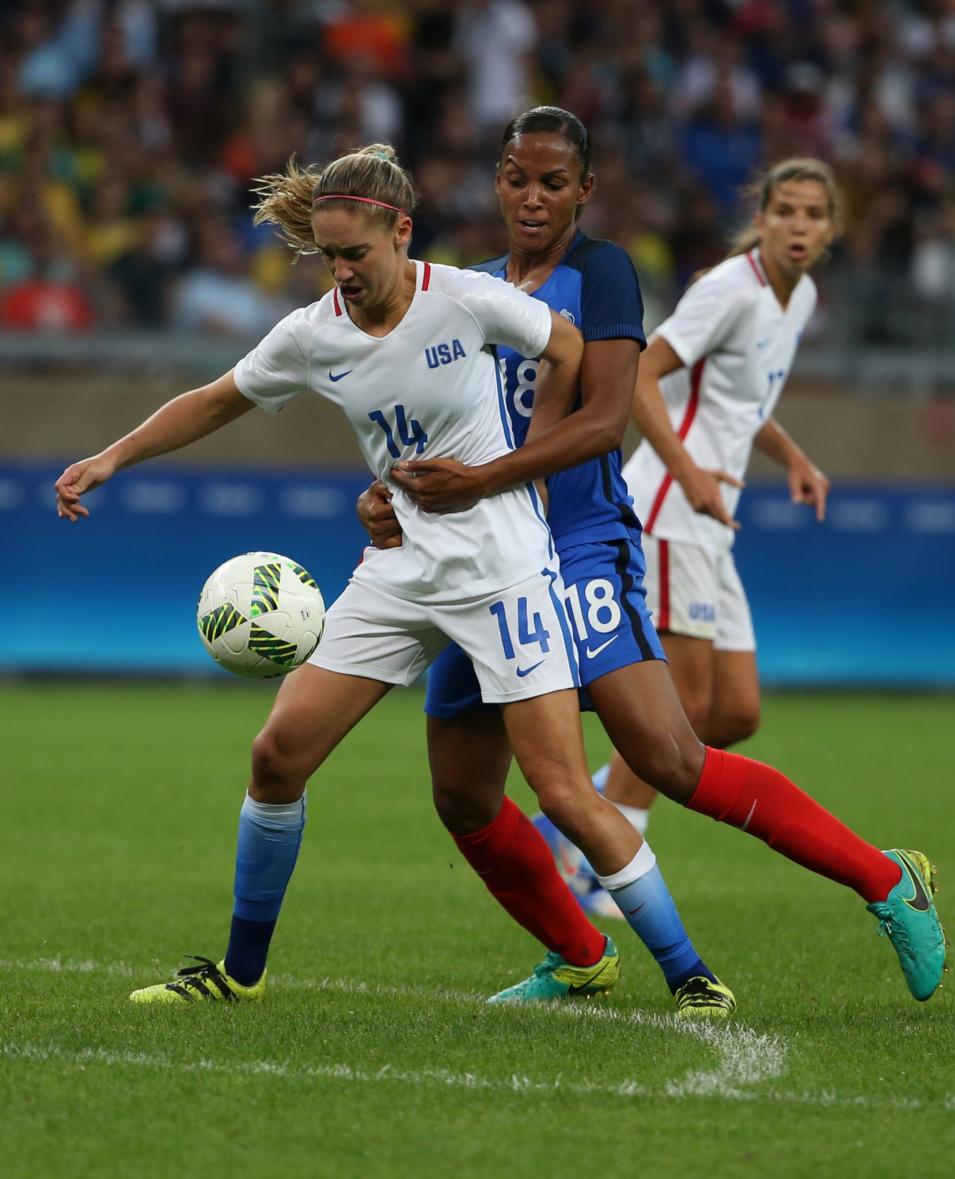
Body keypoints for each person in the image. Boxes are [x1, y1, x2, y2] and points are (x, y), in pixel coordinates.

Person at [53, 142, 689, 1006]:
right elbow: (216, 397)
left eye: (356, 253)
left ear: (401, 231)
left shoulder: (463, 298)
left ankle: (690, 974)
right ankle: (241, 974)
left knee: (564, 790)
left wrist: (527, 459)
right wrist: (110, 457)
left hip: (503, 566)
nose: (342, 272)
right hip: (399, 565)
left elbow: (570, 348)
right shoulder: (315, 333)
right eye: (327, 256)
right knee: (277, 755)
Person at [364, 124, 946, 1005]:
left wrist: (484, 480)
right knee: (464, 793)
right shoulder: (469, 288)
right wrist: (391, 493)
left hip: (580, 544)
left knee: (676, 752)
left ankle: (884, 879)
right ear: (497, 183)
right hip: (481, 559)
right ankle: (577, 953)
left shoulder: (601, 273)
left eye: (552, 182)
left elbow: (604, 421)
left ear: (583, 190)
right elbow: (433, 421)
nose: (532, 197)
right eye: (518, 179)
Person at [538, 159, 836, 909]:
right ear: (760, 214)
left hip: (710, 515)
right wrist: (690, 472)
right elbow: (642, 374)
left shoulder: (797, 300)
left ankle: (571, 819)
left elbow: (735, 400)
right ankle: (605, 857)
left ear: (830, 229)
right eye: (787, 210)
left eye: (813, 214)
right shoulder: (727, 290)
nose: (799, 226)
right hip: (672, 504)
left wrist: (792, 453)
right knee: (686, 702)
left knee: (734, 712)